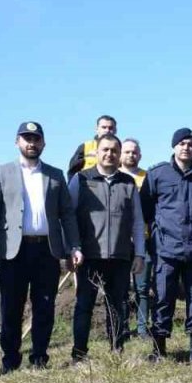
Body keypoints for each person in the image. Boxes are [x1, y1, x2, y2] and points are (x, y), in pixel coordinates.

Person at [0, 121, 82, 372]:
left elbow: (67, 215)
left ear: (43, 143)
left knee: (44, 307)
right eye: (26, 138)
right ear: (17, 142)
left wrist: (74, 246)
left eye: (36, 139)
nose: (31, 143)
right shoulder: (2, 172)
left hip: (46, 250)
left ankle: (39, 358)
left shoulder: (55, 174)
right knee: (11, 308)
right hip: (14, 251)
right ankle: (10, 361)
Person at [143, 127, 192, 363]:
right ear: (174, 147)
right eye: (182, 144)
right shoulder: (158, 174)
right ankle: (159, 347)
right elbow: (145, 210)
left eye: (190, 144)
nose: (186, 148)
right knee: (163, 297)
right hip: (166, 249)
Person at [68, 134, 146, 362]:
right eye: (105, 150)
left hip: (120, 256)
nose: (109, 154)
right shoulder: (81, 180)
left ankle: (116, 350)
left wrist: (139, 253)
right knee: (84, 305)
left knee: (117, 306)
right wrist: (72, 247)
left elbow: (138, 222)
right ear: (97, 152)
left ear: (119, 154)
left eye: (114, 150)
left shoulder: (128, 182)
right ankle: (79, 354)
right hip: (88, 256)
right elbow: (69, 216)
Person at [121, 138, 154, 339]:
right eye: (127, 152)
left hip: (145, 239)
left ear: (139, 155)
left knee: (142, 288)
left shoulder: (147, 177)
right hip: (120, 242)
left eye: (134, 152)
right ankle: (123, 328)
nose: (131, 155)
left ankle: (143, 328)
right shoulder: (115, 176)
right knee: (121, 289)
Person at [67, 115, 117, 180]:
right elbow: (72, 171)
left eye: (110, 128)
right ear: (97, 129)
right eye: (104, 127)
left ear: (115, 130)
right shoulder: (85, 147)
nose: (107, 130)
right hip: (89, 187)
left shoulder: (122, 149)